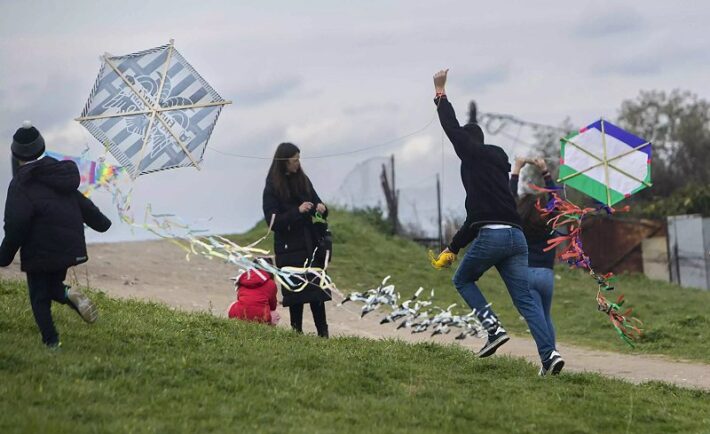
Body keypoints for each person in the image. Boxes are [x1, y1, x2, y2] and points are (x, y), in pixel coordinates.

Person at [431, 70, 564, 375]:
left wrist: (440, 92)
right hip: (516, 240)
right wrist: (454, 247)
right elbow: (476, 215)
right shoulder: (495, 168)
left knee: (462, 280)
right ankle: (550, 356)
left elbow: (451, 128)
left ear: (468, 143)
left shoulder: (472, 157)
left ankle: (493, 330)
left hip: (493, 237)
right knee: (526, 302)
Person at [0, 121, 112, 349]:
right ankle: (68, 294)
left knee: (39, 296)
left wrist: (4, 256)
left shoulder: (20, 184)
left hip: (40, 249)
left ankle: (51, 342)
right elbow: (83, 204)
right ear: (41, 149)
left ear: (16, 154)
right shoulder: (59, 174)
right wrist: (102, 223)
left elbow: (16, 223)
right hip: (67, 247)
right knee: (50, 286)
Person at [262, 142, 331, 337]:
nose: (298, 164)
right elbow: (272, 221)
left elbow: (317, 202)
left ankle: (323, 333)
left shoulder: (303, 180)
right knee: (295, 295)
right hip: (289, 248)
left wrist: (322, 209)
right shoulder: (272, 187)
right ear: (284, 162)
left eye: (299, 159)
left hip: (311, 244)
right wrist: (297, 211)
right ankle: (296, 333)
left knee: (317, 291)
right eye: (294, 160)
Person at [510, 157, 559, 358]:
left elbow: (509, 196)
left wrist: (516, 170)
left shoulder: (517, 219)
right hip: (547, 276)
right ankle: (553, 355)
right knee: (546, 317)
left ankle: (549, 358)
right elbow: (556, 199)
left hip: (526, 274)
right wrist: (545, 171)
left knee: (536, 319)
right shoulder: (549, 220)